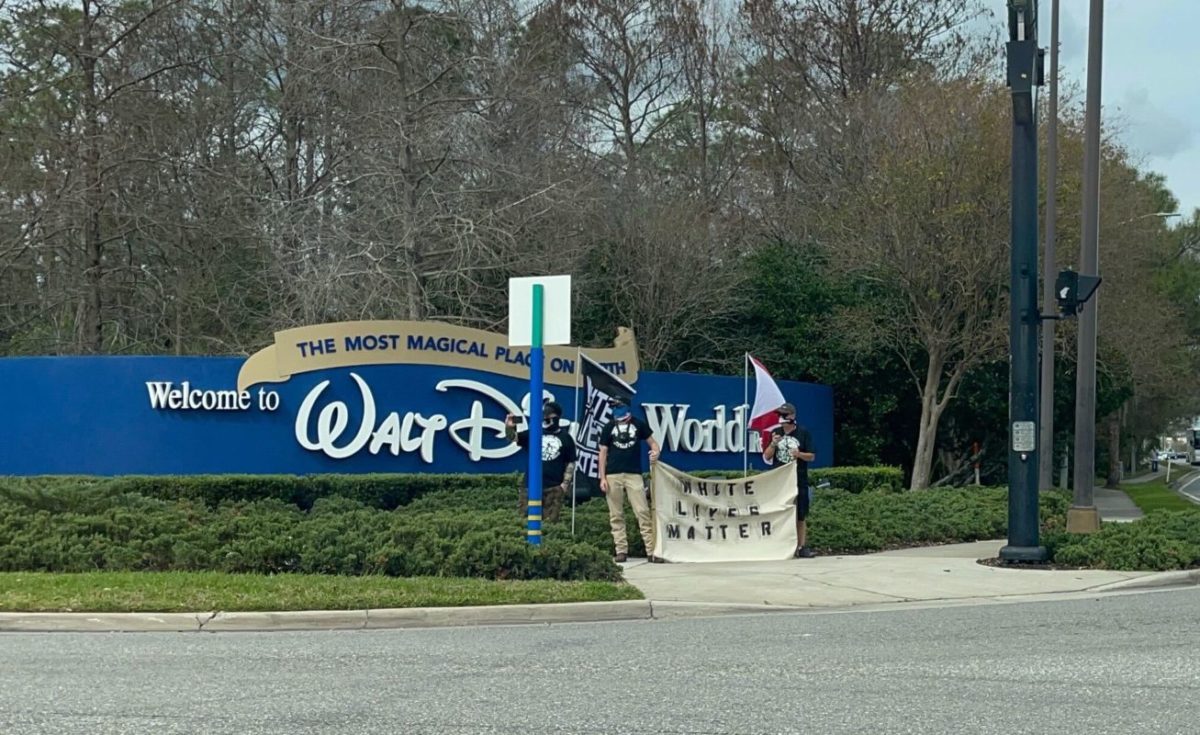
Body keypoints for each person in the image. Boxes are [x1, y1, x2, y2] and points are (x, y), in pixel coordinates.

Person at [599, 398, 662, 563]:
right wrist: (602, 477)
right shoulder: (609, 427)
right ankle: (621, 550)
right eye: (613, 407)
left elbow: (654, 444)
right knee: (616, 514)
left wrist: (655, 453)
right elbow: (602, 453)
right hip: (613, 474)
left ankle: (651, 550)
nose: (615, 410)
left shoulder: (639, 424)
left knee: (642, 512)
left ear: (626, 407)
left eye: (617, 406)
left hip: (634, 474)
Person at [761, 402, 817, 558]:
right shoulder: (775, 433)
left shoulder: (803, 433)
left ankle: (801, 546)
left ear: (792, 416)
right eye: (780, 415)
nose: (781, 418)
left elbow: (811, 456)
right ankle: (778, 545)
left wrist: (799, 454)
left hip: (798, 479)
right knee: (779, 511)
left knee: (800, 514)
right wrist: (773, 443)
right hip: (780, 480)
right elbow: (766, 456)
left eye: (784, 415)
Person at [505, 400, 576, 523]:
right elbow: (513, 437)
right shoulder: (534, 433)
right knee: (525, 521)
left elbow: (571, 462)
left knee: (550, 523)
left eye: (550, 416)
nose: (546, 419)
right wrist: (509, 426)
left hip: (553, 488)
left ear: (557, 417)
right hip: (530, 486)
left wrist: (564, 485)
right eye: (544, 416)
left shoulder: (566, 438)